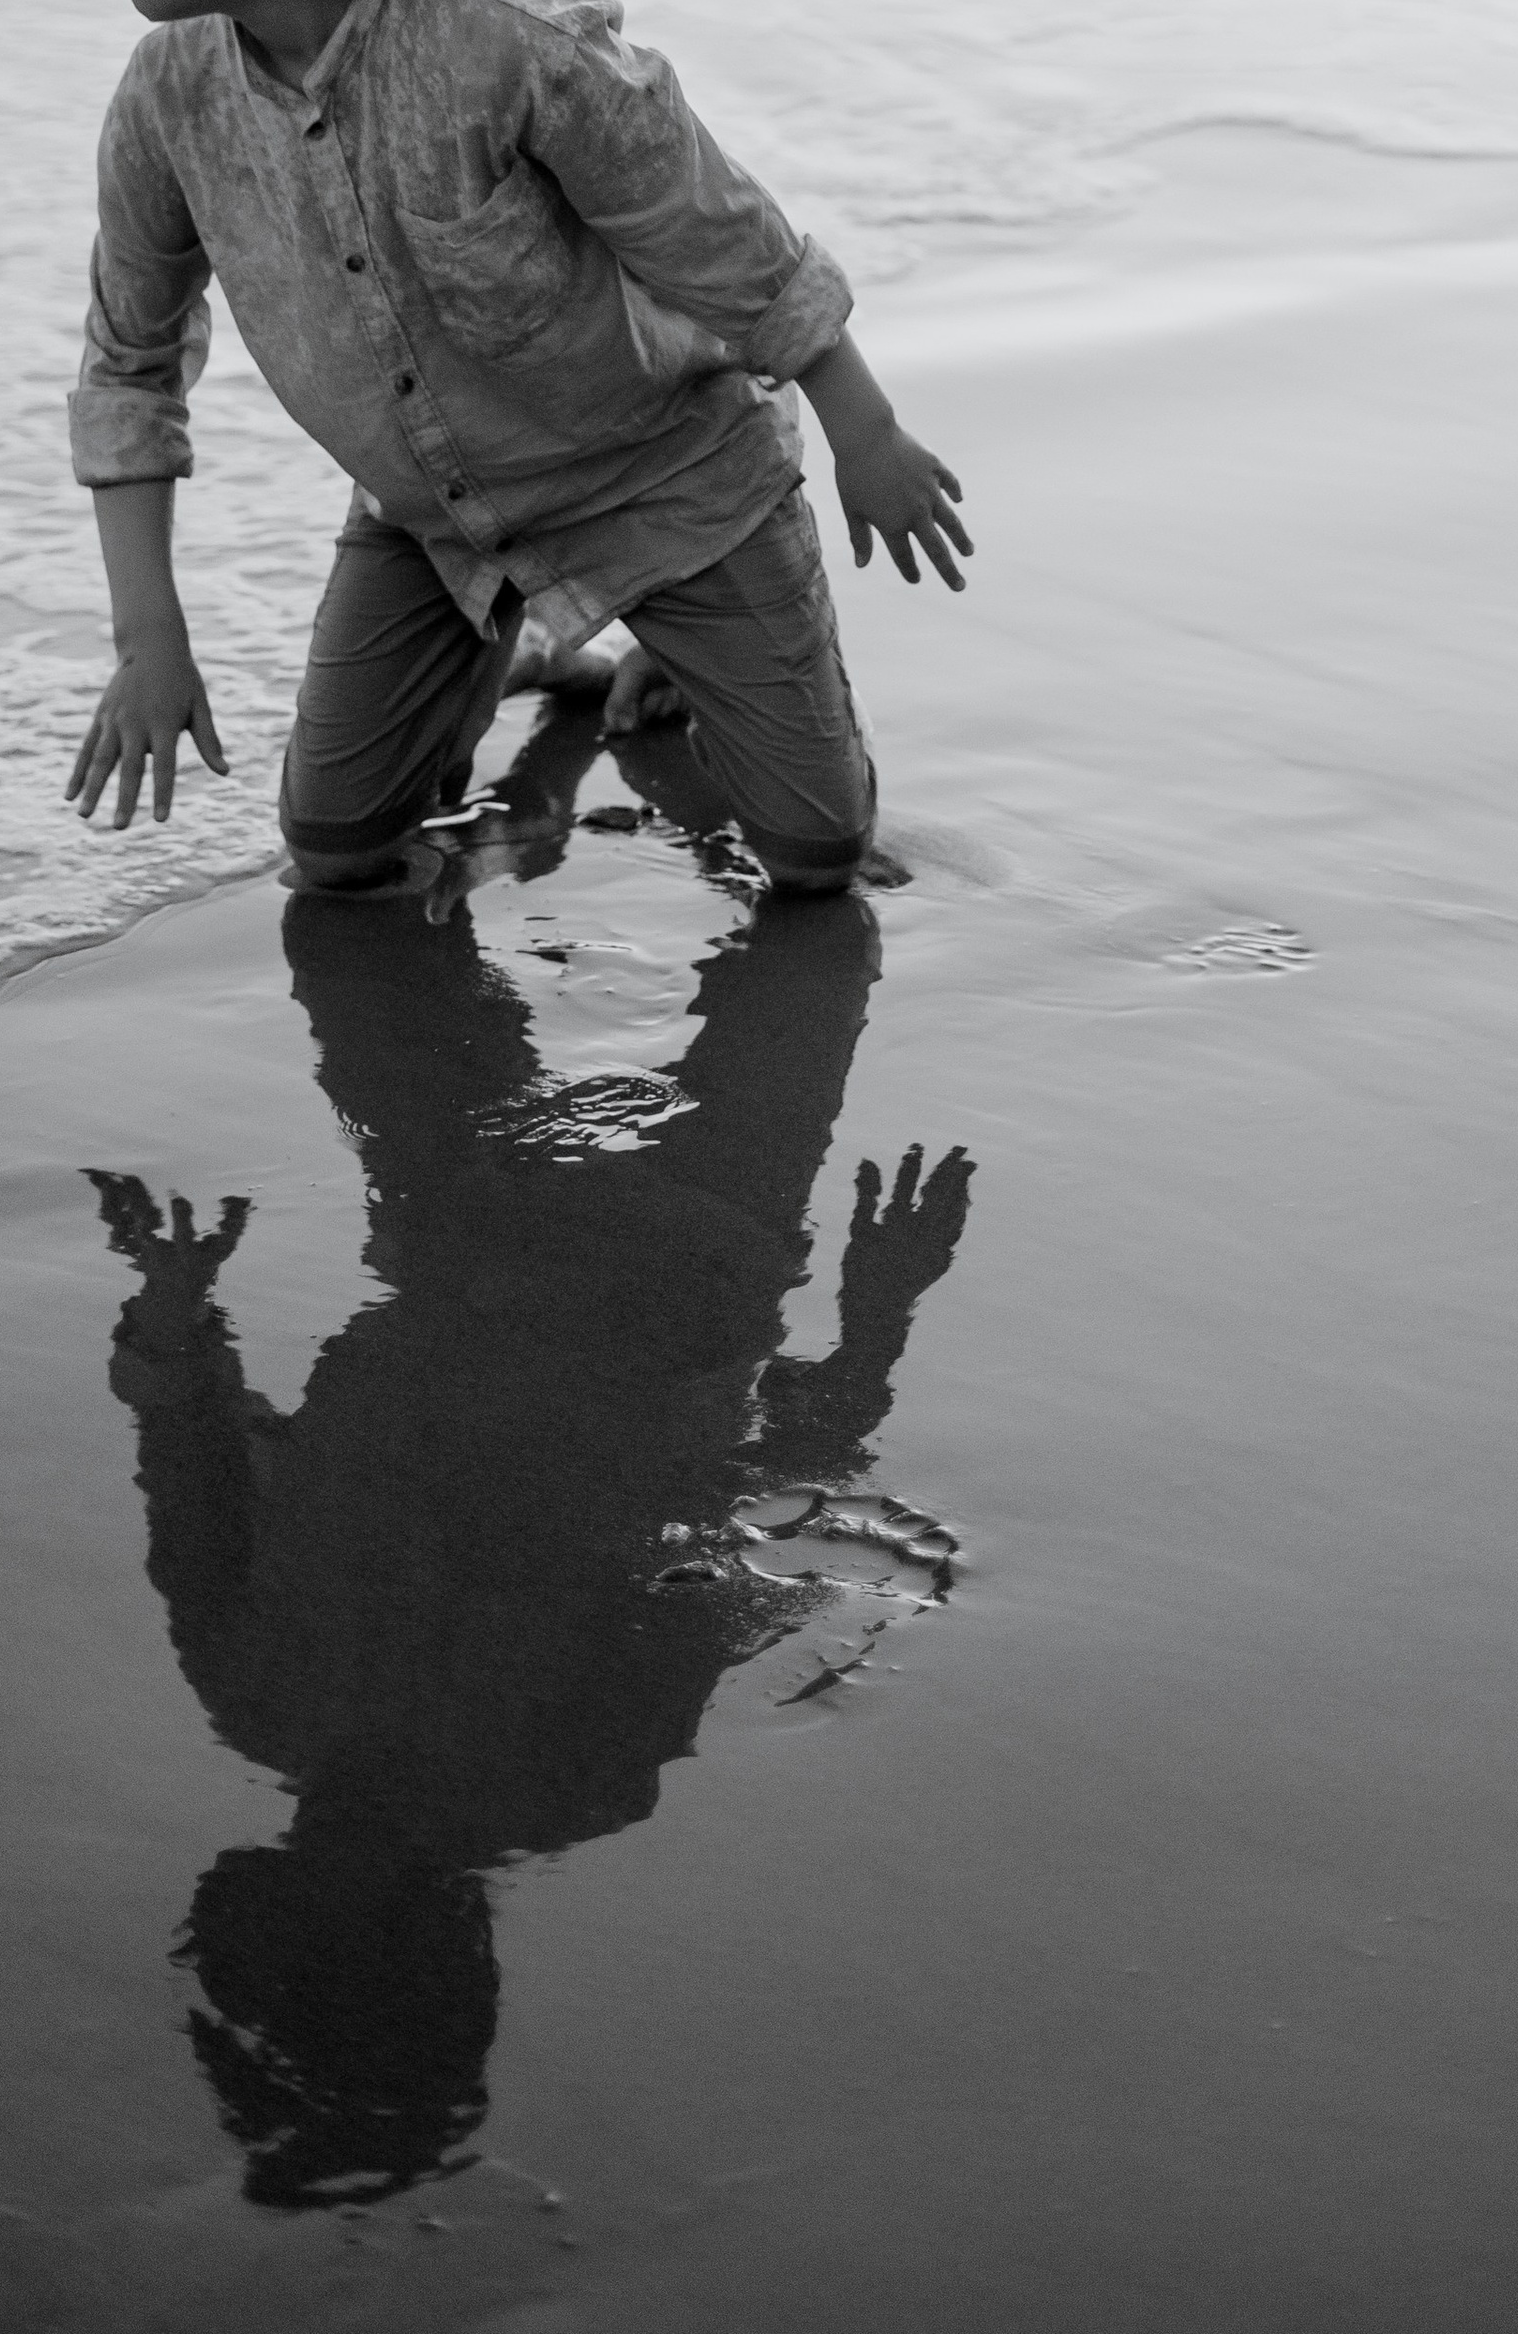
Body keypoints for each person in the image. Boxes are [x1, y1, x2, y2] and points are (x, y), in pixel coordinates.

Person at [90, 713, 972, 2205]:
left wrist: (178, 1319)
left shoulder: (260, 1690)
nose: (244, 1897)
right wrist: (871, 1326)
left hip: (463, 1219)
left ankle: (576, 696)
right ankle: (641, 704)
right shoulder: (575, 1772)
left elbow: (187, 1464)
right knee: (799, 917)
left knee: (360, 913)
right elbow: (740, 1524)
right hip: (695, 1254)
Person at [62, 0, 969, 892]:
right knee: (330, 850)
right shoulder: (169, 101)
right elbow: (129, 365)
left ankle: (670, 648)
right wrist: (147, 640)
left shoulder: (509, 43)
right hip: (431, 524)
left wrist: (864, 430)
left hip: (673, 482)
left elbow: (716, 233)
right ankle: (527, 650)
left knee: (815, 857)